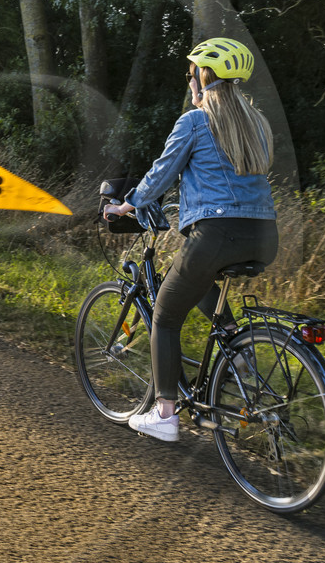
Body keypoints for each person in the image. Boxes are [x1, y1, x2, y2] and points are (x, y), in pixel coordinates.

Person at [102, 37, 278, 441]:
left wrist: (126, 206)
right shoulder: (258, 123)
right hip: (265, 235)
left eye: (191, 73)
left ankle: (165, 415)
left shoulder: (195, 121)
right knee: (197, 279)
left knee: (164, 315)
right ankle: (240, 350)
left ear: (202, 75)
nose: (190, 82)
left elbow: (161, 174)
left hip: (216, 233)